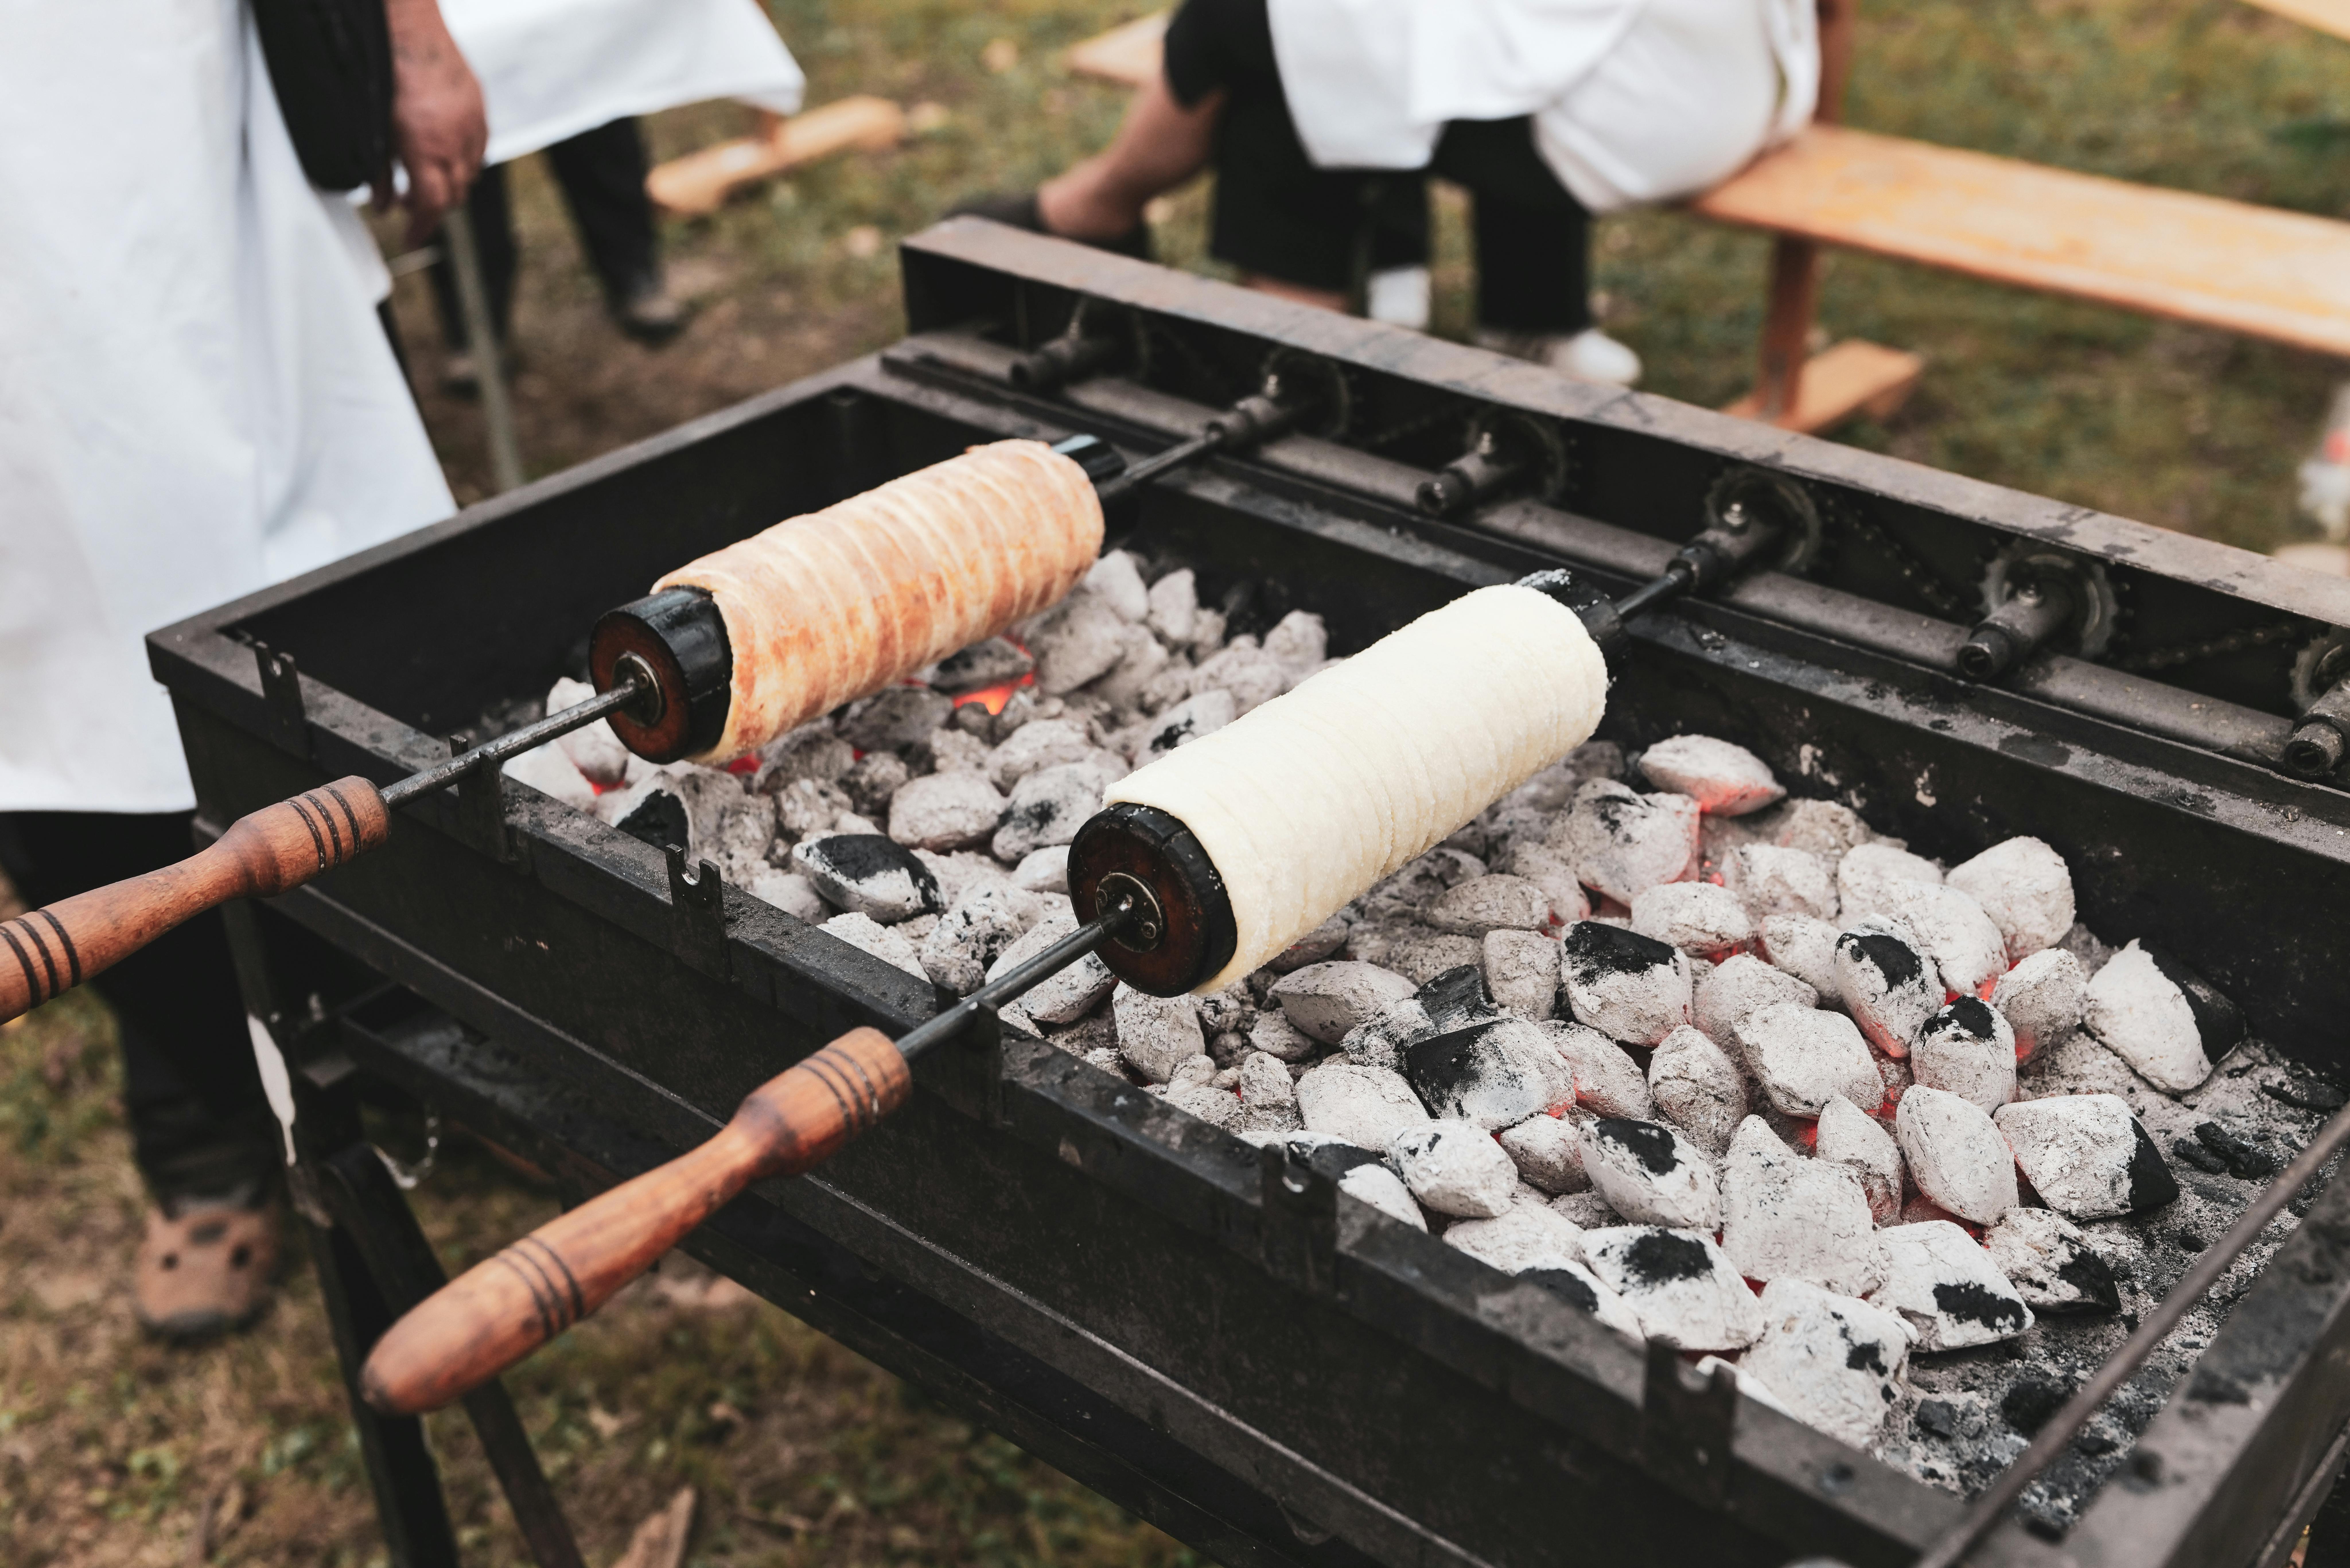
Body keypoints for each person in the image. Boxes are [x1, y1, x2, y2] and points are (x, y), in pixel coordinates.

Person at [0, 0, 483, 1337]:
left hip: (156, 93)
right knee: (39, 666)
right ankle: (198, 1104)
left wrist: (411, 34)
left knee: (321, 572)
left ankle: (409, 1013)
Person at [982, 0, 1817, 386]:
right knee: (1312, 50)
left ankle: (1289, 356)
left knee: (1268, 37)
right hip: (1724, 77)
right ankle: (1527, 317)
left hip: (1643, 102)